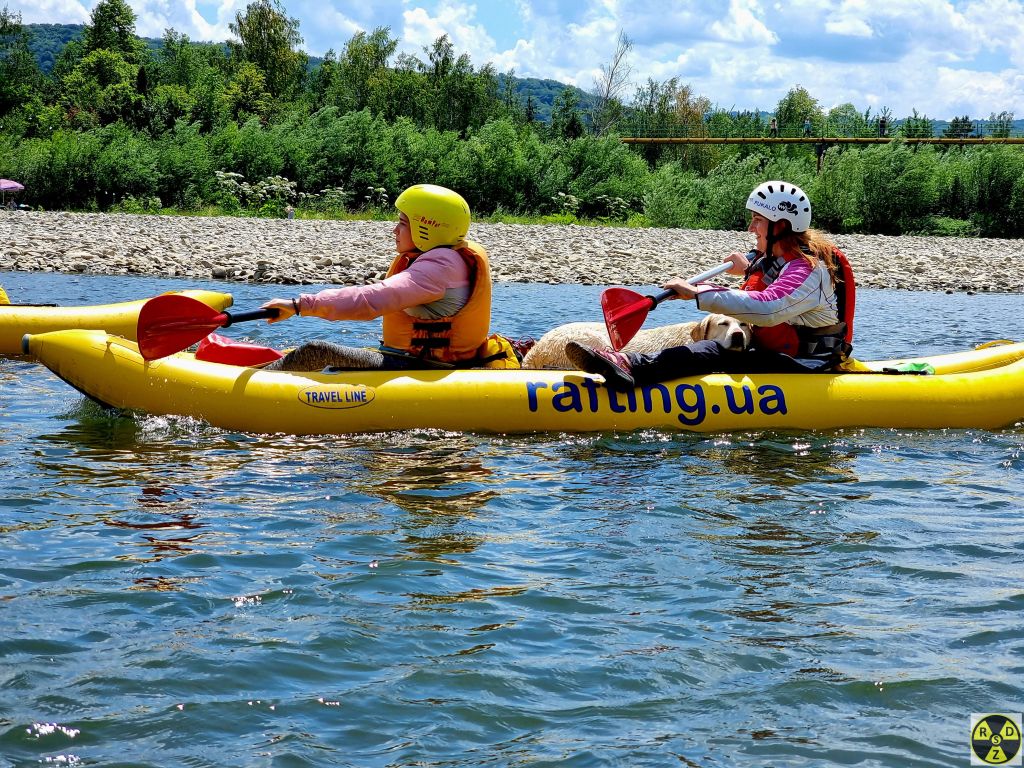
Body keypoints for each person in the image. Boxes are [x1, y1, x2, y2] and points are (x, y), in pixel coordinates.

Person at [566, 180, 856, 391]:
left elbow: (769, 308)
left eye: (757, 220)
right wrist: (750, 269)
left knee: (715, 351)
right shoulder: (781, 261)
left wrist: (698, 293)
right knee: (718, 349)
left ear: (780, 226)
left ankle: (633, 366)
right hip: (786, 356)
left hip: (808, 364)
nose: (750, 228)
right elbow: (769, 290)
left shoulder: (809, 268)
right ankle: (633, 364)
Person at [261, 183, 518, 371]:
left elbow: (370, 300)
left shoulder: (440, 266)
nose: (395, 230)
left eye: (403, 223)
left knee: (316, 351)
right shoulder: (449, 257)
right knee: (303, 353)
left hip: (423, 367)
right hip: (419, 361)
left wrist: (299, 305)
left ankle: (251, 392)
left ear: (427, 228)